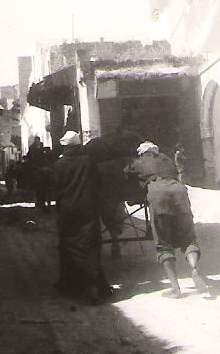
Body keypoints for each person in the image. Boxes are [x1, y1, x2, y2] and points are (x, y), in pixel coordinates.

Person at [125, 141, 207, 299]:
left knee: (163, 244)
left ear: (143, 153)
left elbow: (126, 172)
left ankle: (175, 289)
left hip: (159, 194)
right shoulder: (167, 161)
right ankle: (194, 268)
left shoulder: (139, 162)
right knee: (188, 238)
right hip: (179, 192)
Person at [52, 130, 112, 305]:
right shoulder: (88, 161)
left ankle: (69, 285)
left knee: (67, 245)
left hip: (67, 211)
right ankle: (94, 287)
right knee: (90, 246)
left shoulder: (59, 164)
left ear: (65, 146)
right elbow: (98, 183)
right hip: (87, 209)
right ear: (78, 146)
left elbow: (55, 188)